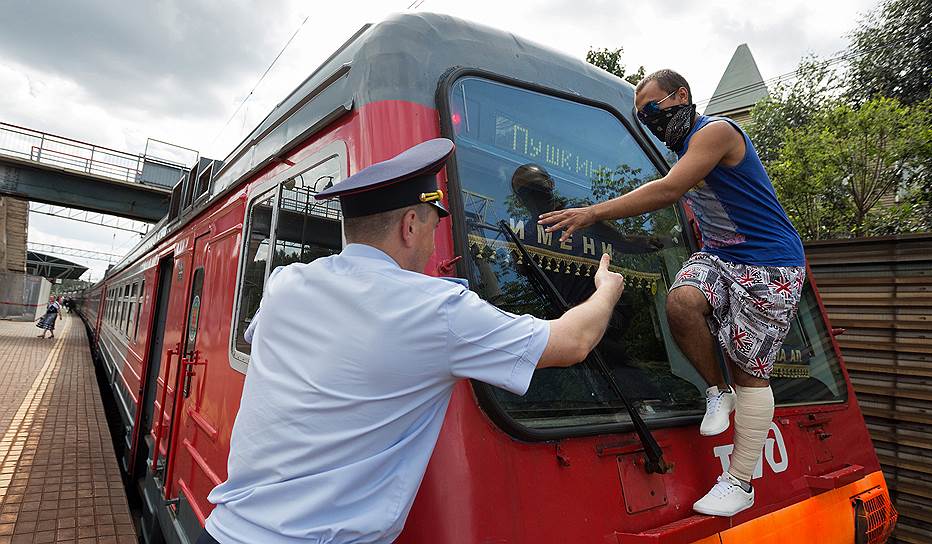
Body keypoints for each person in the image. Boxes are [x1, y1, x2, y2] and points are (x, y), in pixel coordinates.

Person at [199, 138, 625, 544]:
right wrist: (606, 288)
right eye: (432, 227)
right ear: (409, 226)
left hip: (223, 530)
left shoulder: (286, 283)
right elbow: (574, 341)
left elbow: (265, 342)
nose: (433, 241)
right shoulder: (436, 310)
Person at [539, 69, 806, 517]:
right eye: (644, 120)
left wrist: (590, 213)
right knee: (681, 303)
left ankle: (740, 482)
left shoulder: (717, 132)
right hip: (721, 256)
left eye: (652, 111)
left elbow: (668, 190)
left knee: (751, 371)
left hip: (771, 263)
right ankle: (717, 391)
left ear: (682, 95)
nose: (651, 123)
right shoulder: (684, 151)